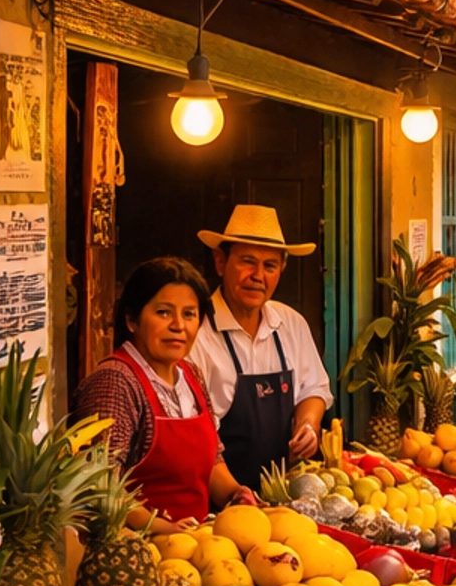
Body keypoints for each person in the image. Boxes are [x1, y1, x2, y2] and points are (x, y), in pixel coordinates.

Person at [74, 258, 254, 521]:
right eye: (163, 312)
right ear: (132, 320)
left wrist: (236, 494)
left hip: (196, 548)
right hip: (139, 548)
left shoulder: (190, 375)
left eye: (189, 314)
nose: (178, 326)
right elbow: (100, 487)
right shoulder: (115, 382)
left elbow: (212, 459)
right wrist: (161, 528)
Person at [194, 204, 332, 494]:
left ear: (281, 269)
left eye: (270, 266)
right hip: (215, 500)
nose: (258, 275)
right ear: (220, 262)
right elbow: (192, 436)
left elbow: (313, 389)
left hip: (282, 495)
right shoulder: (197, 331)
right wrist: (235, 496)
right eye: (247, 261)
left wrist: (308, 426)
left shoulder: (291, 324)